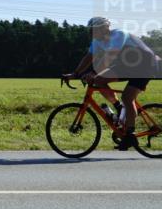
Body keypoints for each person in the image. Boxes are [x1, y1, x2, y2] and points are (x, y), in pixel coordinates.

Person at [64, 17, 161, 150]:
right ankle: (119, 107)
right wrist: (75, 74)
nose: (92, 33)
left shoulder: (118, 35)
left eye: (94, 30)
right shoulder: (97, 41)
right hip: (127, 65)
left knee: (127, 97)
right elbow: (88, 57)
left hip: (145, 65)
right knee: (98, 81)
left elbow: (109, 57)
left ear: (105, 28)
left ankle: (130, 134)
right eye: (91, 31)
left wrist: (93, 73)